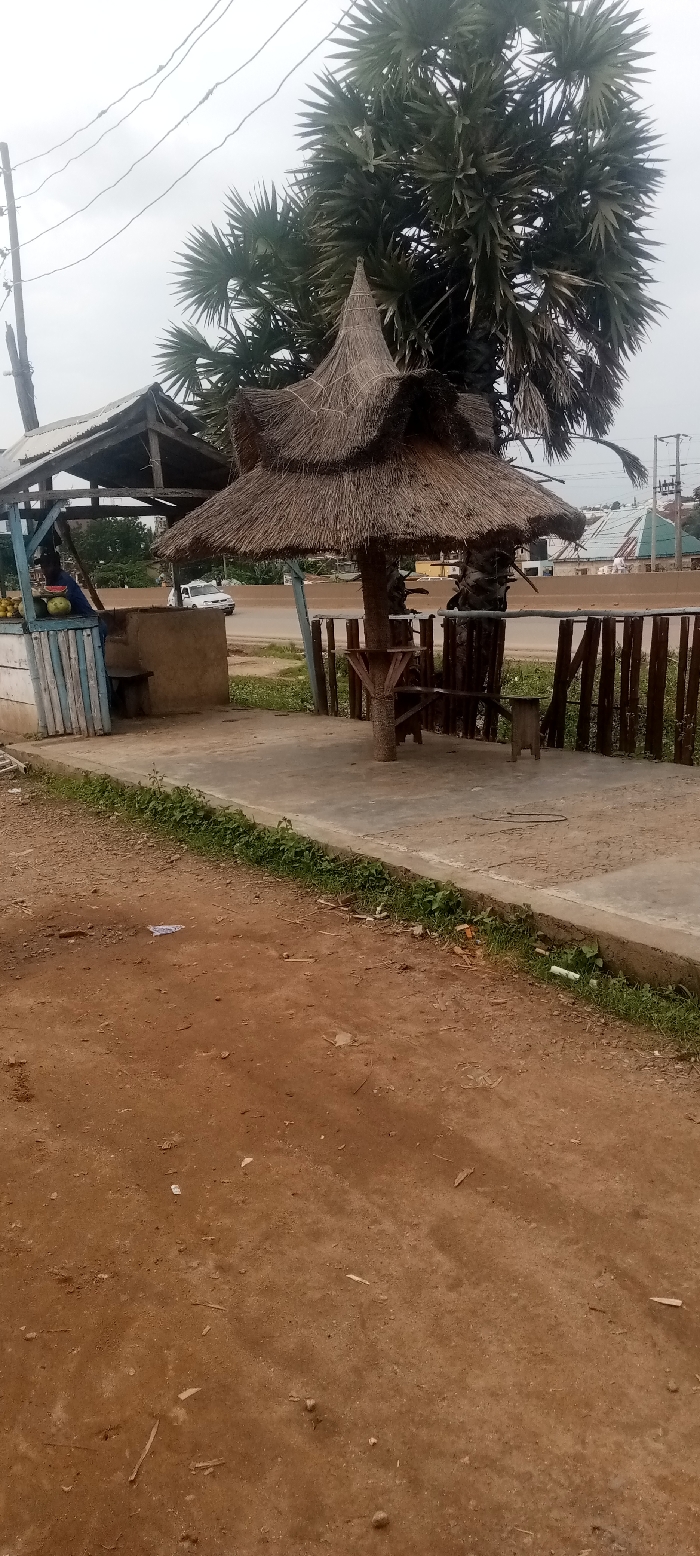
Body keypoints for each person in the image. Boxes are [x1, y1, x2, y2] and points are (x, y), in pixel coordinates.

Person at [40, 550, 94, 615]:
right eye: (42, 567)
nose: (44, 570)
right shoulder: (52, 579)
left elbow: (63, 606)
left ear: (56, 565)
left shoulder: (64, 580)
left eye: (47, 566)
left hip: (84, 616)